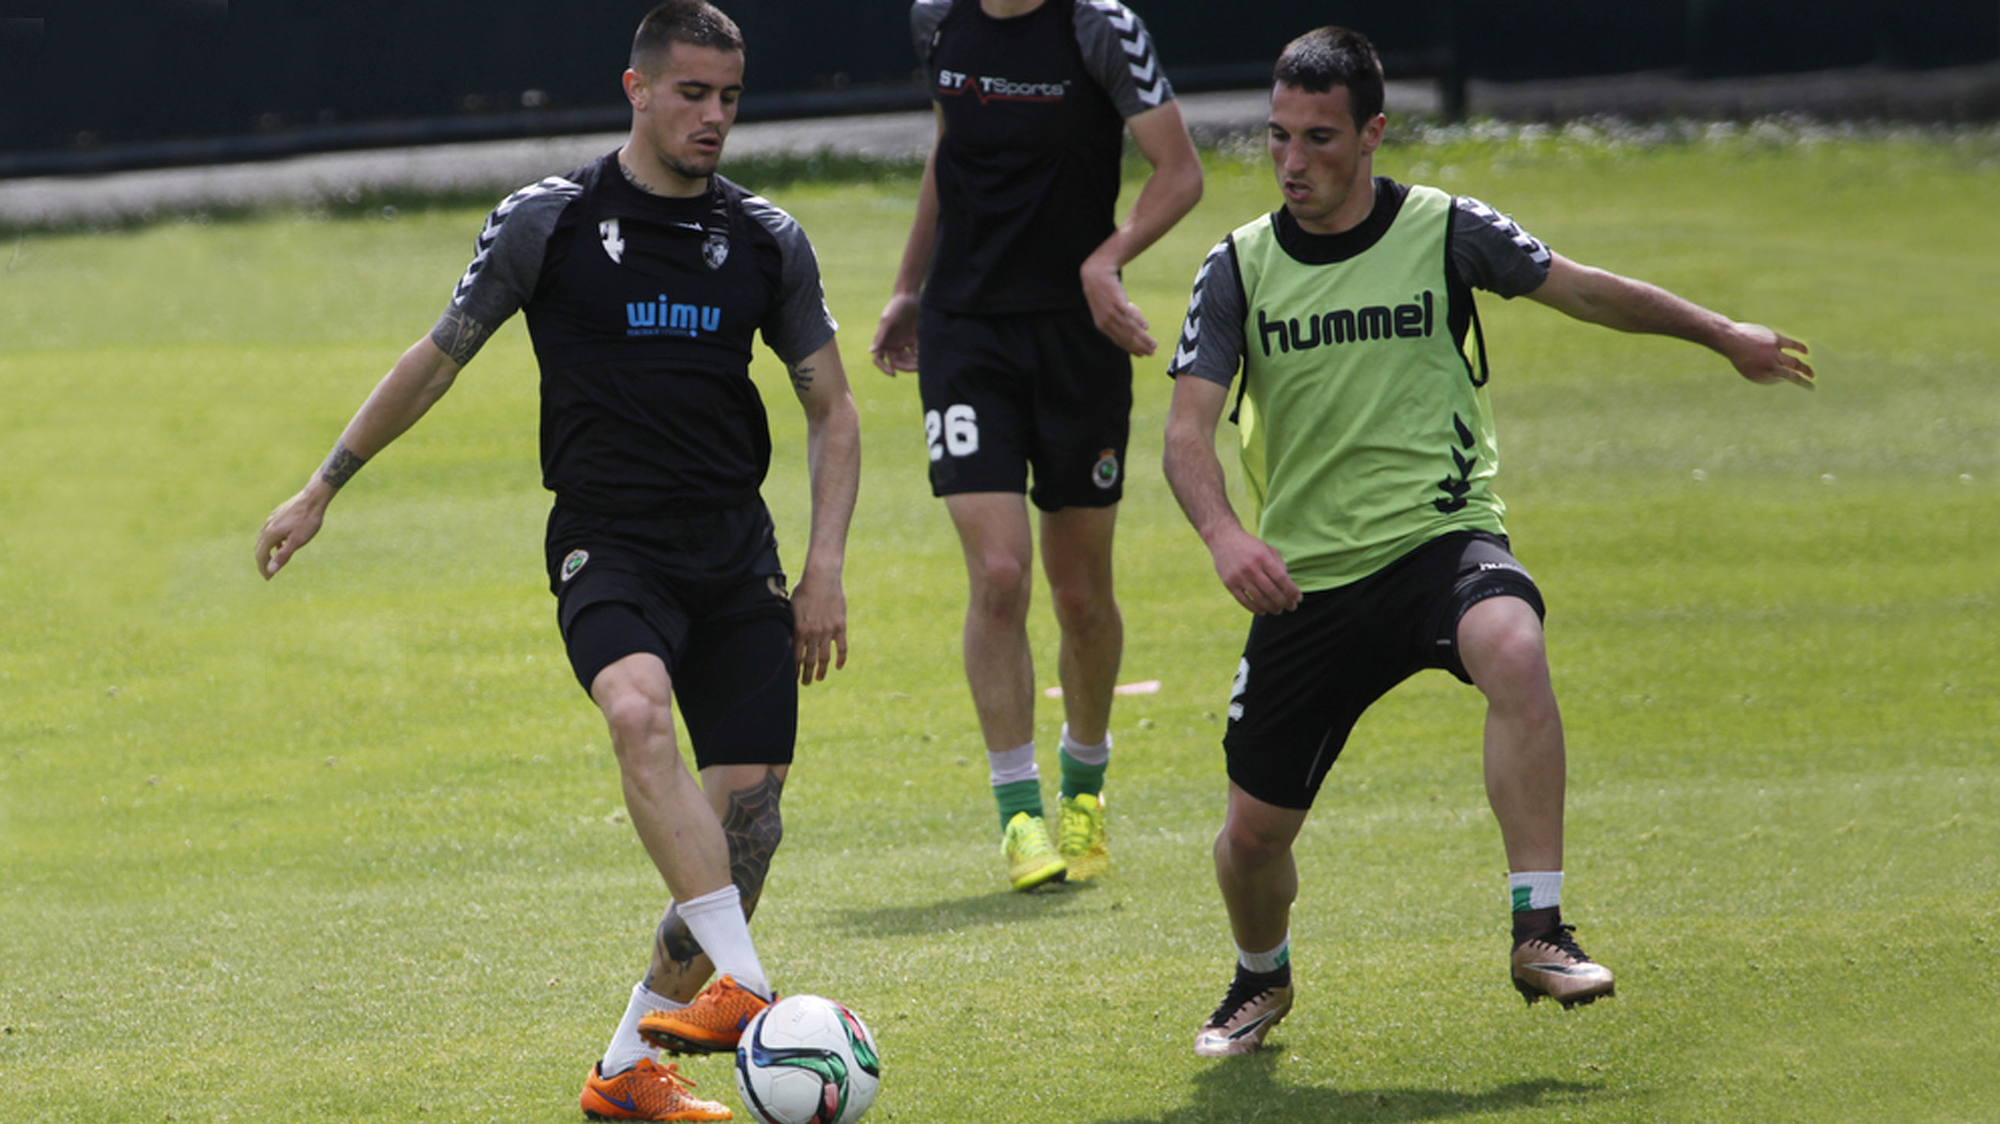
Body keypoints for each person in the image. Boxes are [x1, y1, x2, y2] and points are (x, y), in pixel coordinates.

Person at [253, 3, 861, 1117]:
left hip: (734, 552)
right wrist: (323, 482)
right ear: (635, 89)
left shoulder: (767, 237)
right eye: (692, 93)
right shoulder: (551, 220)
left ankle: (627, 1067)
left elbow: (832, 408)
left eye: (729, 96)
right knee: (635, 714)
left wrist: (823, 565)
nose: (714, 116)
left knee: (742, 833)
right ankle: (745, 988)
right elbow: (438, 359)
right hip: (608, 538)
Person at [1162, 26, 1814, 1057]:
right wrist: (1222, 535)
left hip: (1440, 541)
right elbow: (1184, 429)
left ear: (1373, 132)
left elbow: (1584, 287)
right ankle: (1258, 976)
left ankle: (1538, 927)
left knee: (1510, 639)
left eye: (1319, 138)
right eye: (1277, 137)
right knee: (1249, 839)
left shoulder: (1443, 231)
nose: (1291, 161)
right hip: (1307, 583)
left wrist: (1720, 333)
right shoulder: (1235, 267)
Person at [870, 0, 1203, 892]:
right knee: (1002, 575)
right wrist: (909, 286)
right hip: (967, 330)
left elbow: (1179, 173)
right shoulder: (937, 21)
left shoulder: (1100, 28)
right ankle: (1020, 816)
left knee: (1082, 594)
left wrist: (1108, 259)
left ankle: (1084, 788)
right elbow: (952, 152)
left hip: (1076, 338)